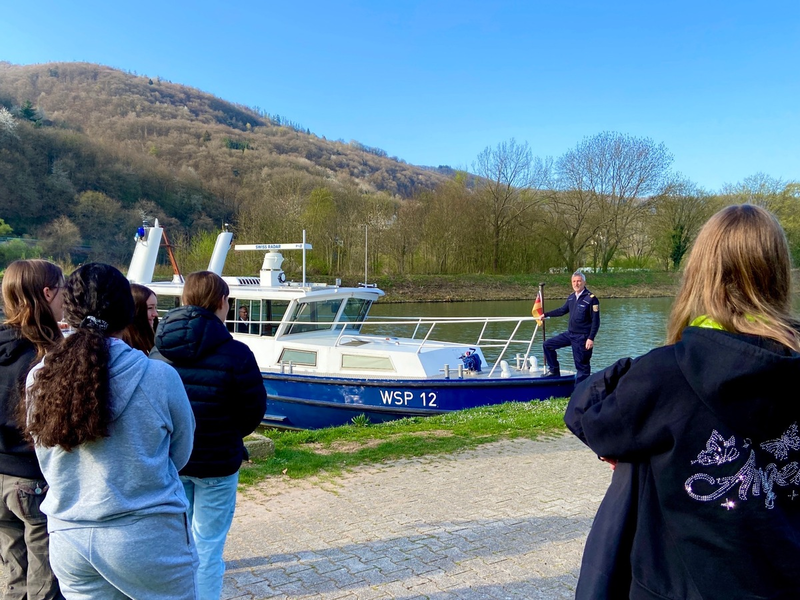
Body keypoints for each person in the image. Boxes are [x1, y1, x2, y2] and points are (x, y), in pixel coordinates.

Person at [565, 204, 800, 599]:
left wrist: (629, 369)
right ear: (778, 275)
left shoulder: (665, 374)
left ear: (700, 273)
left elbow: (588, 418)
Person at [24, 263, 197, 600]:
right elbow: (181, 451)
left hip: (70, 538)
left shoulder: (40, 377)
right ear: (126, 312)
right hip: (147, 536)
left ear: (68, 309)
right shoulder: (158, 377)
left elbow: (42, 449)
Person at [150, 271, 267, 600]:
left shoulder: (157, 352)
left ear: (185, 300)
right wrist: (228, 433)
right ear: (221, 303)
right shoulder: (237, 353)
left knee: (180, 544)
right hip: (218, 461)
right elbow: (253, 409)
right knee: (209, 547)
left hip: (174, 461)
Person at [0, 260, 64, 600]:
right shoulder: (46, 354)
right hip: (32, 479)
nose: (65, 299)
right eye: (62, 291)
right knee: (45, 586)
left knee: (14, 578)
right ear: (48, 293)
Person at [540, 271, 599, 382]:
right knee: (547, 345)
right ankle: (554, 371)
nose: (576, 284)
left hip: (583, 337)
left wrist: (591, 338)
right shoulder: (572, 297)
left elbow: (596, 321)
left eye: (579, 281)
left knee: (582, 366)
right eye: (574, 281)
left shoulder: (591, 299)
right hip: (570, 334)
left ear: (584, 282)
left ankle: (580, 393)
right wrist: (546, 314)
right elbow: (562, 311)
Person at [121, 283, 158, 354]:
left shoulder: (148, 337)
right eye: (150, 308)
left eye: (155, 307)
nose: (155, 314)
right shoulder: (125, 345)